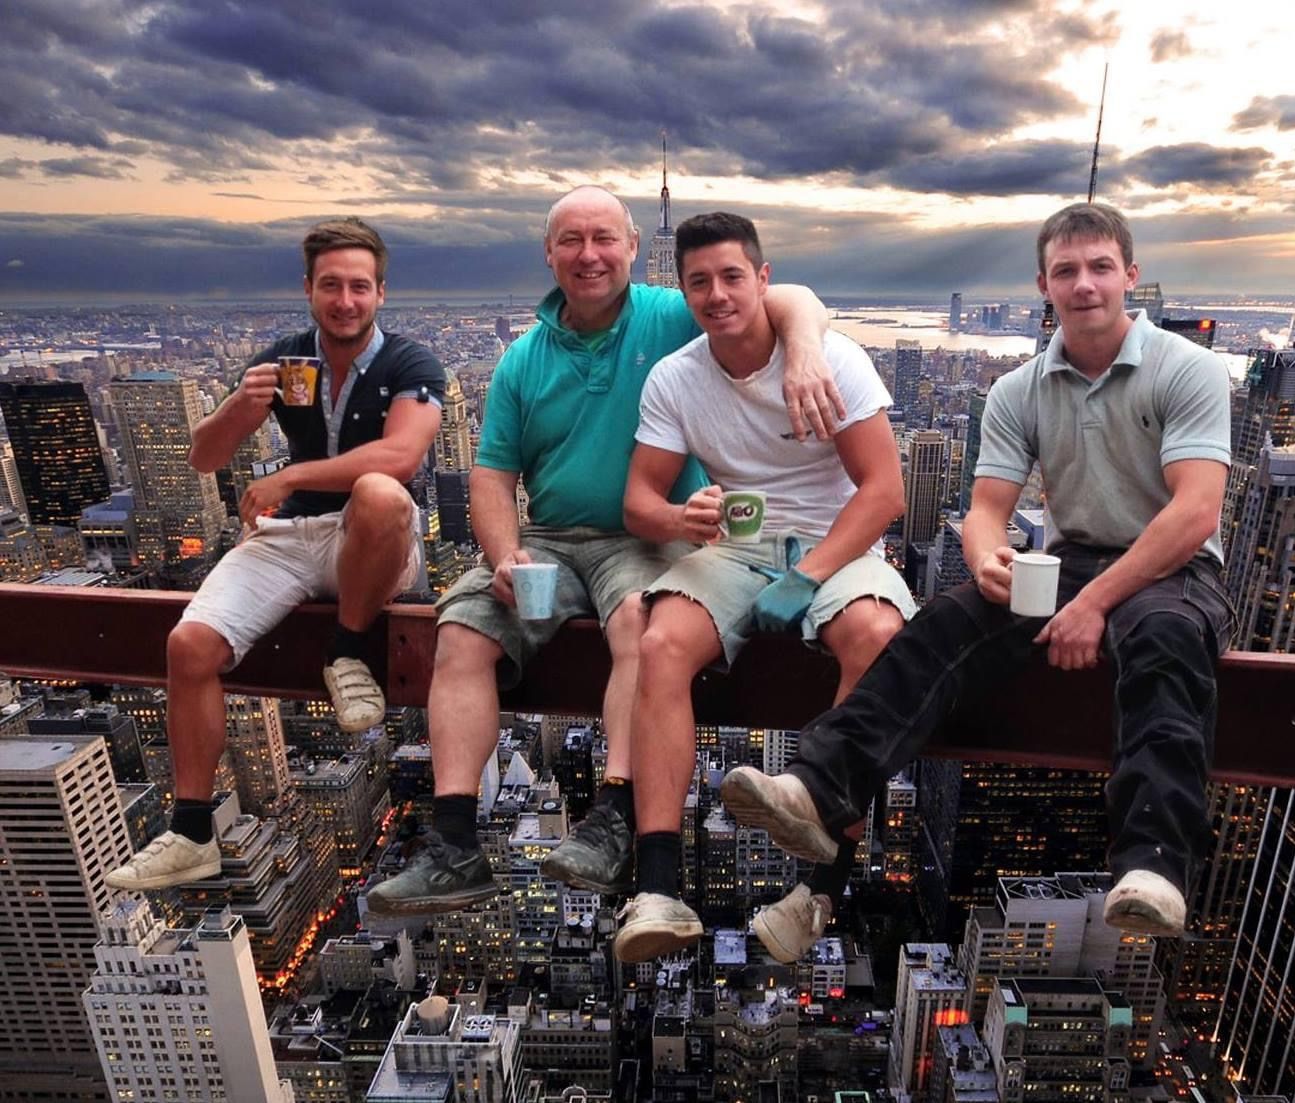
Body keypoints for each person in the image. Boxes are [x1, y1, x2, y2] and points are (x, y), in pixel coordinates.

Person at [721, 202, 1234, 938]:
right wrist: (985, 555)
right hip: (1073, 556)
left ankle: (1153, 862)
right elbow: (988, 506)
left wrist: (1093, 602)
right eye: (1066, 271)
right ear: (1043, 285)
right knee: (943, 625)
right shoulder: (1019, 388)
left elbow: (1194, 514)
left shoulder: (1187, 370)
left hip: (1172, 565)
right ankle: (817, 783)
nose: (1084, 284)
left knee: (1164, 644)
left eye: (1099, 268)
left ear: (1130, 274)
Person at [366, 187, 843, 916]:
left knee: (637, 628)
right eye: (571, 241)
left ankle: (617, 814)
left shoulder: (671, 312)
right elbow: (493, 475)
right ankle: (453, 844)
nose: (588, 255)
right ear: (549, 254)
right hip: (550, 541)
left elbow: (790, 297)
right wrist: (502, 554)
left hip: (649, 535)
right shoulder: (522, 359)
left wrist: (805, 354)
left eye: (603, 238)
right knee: (458, 632)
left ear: (630, 246)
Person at [611, 212, 916, 964]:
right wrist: (682, 516)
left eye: (732, 276)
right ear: (682, 291)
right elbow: (638, 503)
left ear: (764, 278)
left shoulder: (831, 361)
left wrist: (809, 573)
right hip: (739, 548)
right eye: (699, 282)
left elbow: (883, 493)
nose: (717, 294)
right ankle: (657, 884)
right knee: (659, 641)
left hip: (837, 544)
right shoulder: (676, 377)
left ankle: (819, 890)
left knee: (876, 638)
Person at [107, 217, 445, 891]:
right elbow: (204, 456)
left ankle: (346, 651)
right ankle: (193, 829)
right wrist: (241, 403)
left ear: (381, 292)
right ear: (308, 289)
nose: (344, 300)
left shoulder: (411, 363)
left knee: (379, 492)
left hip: (370, 539)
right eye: (330, 286)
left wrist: (290, 475)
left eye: (358, 286)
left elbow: (402, 457)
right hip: (292, 538)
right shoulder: (285, 360)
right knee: (189, 647)